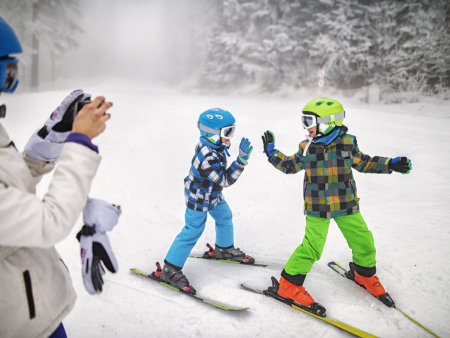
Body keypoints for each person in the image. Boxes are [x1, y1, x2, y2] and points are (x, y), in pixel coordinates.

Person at [0, 17, 115, 338]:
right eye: (7, 74)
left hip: (30, 307)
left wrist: (51, 139)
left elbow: (10, 192)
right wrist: (79, 144)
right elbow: (48, 222)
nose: (8, 85)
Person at [261, 97, 412, 314]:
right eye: (304, 121)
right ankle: (288, 286)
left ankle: (364, 274)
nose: (306, 126)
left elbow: (365, 162)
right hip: (318, 207)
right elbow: (289, 165)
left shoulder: (348, 143)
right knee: (312, 247)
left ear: (328, 122)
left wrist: (390, 164)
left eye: (309, 121)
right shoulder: (307, 148)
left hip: (346, 204)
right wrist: (271, 152)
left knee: (363, 240)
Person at [155, 108, 254, 294]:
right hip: (199, 196)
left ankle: (223, 249)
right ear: (211, 134)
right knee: (193, 229)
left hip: (212, 194)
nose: (230, 138)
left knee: (225, 216)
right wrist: (240, 161)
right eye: (227, 133)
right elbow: (224, 180)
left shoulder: (216, 147)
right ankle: (170, 269)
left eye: (231, 131)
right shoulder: (208, 155)